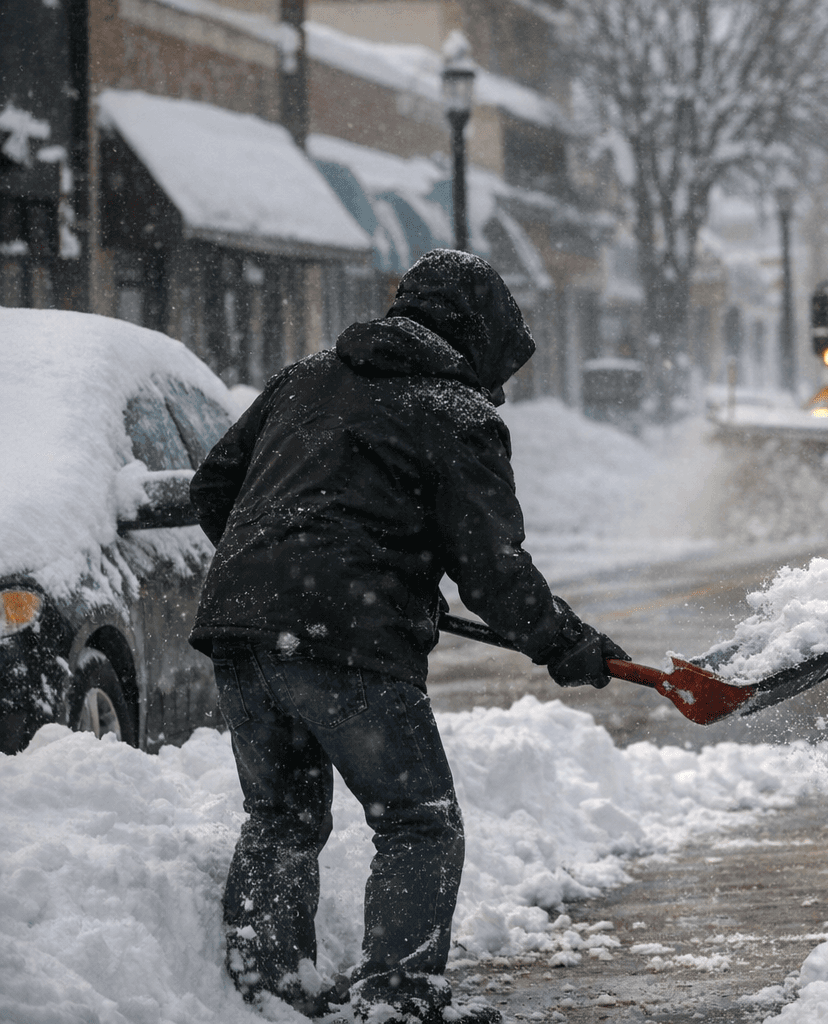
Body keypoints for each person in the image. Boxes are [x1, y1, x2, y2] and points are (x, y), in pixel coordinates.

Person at [189, 249, 628, 1024]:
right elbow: (492, 571)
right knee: (417, 821)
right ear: (478, 336)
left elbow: (212, 487)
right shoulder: (452, 412)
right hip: (348, 640)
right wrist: (566, 642)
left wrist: (278, 573)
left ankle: (266, 991)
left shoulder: (305, 379)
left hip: (242, 627)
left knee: (282, 819)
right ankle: (396, 997)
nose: (499, 385)